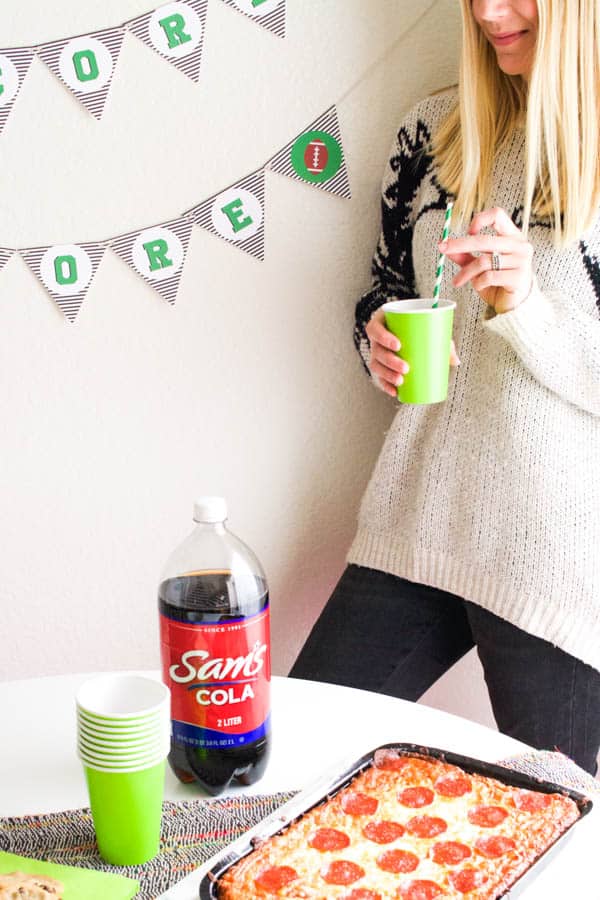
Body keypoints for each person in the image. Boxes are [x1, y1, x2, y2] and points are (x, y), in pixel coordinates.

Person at [289, 0, 600, 775]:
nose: (489, 13)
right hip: (420, 515)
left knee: (544, 823)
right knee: (294, 755)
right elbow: (383, 291)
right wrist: (379, 344)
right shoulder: (433, 133)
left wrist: (526, 307)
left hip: (553, 559)